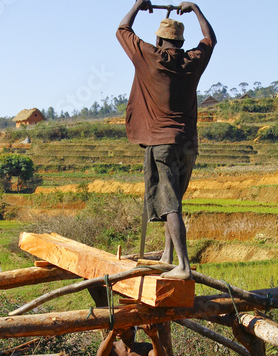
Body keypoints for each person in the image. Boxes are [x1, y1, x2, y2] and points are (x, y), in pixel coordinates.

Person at [116, 1, 217, 279]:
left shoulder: (151, 57)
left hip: (162, 142)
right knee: (174, 199)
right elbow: (211, 39)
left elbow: (123, 29)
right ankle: (168, 255)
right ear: (181, 42)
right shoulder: (192, 61)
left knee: (168, 201)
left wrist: (138, 5)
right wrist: (196, 9)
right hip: (188, 144)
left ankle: (182, 266)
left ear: (160, 40)